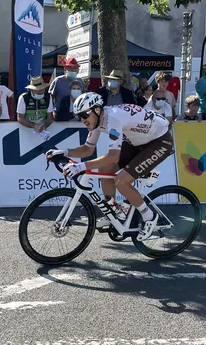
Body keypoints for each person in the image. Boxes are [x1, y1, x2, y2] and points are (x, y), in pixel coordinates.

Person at [45, 92, 173, 241]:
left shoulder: (113, 119)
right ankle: (115, 212)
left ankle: (149, 217)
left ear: (97, 110)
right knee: (104, 170)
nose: (83, 120)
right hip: (136, 141)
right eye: (80, 116)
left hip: (159, 141)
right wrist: (63, 152)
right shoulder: (97, 121)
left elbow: (113, 156)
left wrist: (80, 167)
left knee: (121, 181)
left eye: (85, 115)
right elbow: (88, 149)